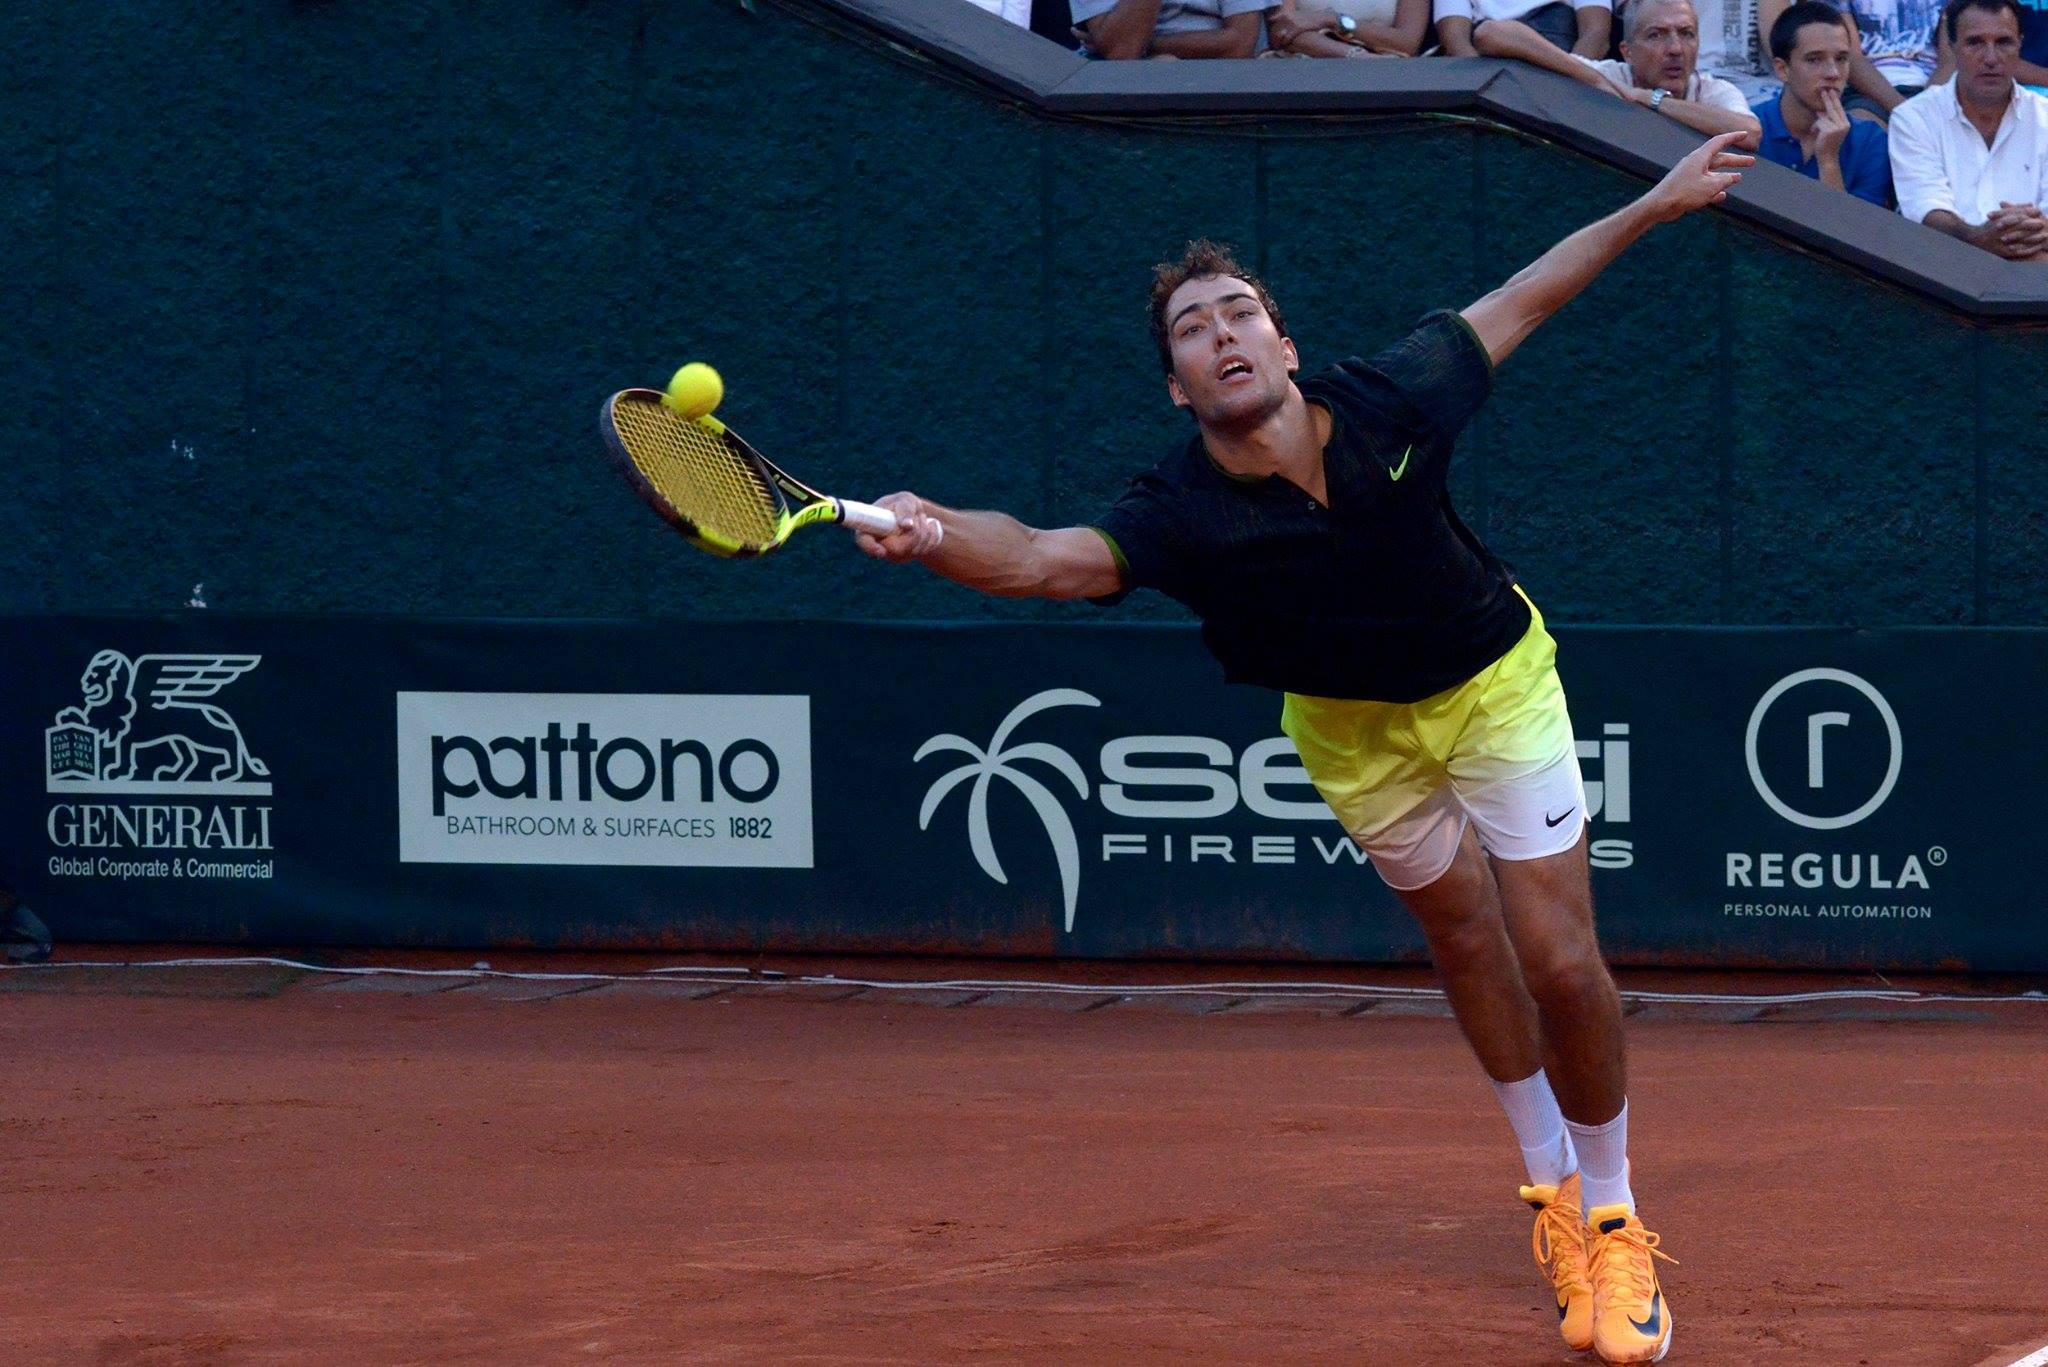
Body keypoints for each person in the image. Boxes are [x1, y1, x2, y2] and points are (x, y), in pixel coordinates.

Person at [856, 132, 1753, 1366]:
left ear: (1281, 342)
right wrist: (930, 529)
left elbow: (1530, 291)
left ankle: (1612, 1208)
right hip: (1342, 730)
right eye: (1190, 327)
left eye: (1238, 312)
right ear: (1176, 381)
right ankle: (1546, 1186)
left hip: (1490, 683)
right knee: (1459, 935)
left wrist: (1652, 205)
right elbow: (1036, 555)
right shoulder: (1175, 508)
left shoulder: (1396, 393)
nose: (1219, 334)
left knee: (1555, 956)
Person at [1476, 0, 1764, 144]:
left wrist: (1649, 100)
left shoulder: (1713, 90)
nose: (1676, 48)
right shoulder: (1614, 75)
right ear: (1627, 52)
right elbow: (1491, 33)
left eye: (1687, 34)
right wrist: (1596, 81)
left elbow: (1749, 133)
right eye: (1657, 35)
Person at [1890, 0, 2048, 254]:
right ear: (1951, 47)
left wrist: (2020, 235)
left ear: (2020, 44)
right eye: (1975, 43)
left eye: (2003, 42)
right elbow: (1926, 211)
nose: (1990, 58)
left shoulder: (2045, 117)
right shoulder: (1913, 118)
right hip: (1945, 274)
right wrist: (1979, 238)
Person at [1754, 2, 1898, 201]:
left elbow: (1853, 230)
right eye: (1814, 60)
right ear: (1782, 69)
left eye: (1841, 59)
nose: (1833, 73)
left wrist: (1828, 161)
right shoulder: (1749, 129)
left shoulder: (1870, 141)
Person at [1071, 0, 1264, 58]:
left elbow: (1239, 45)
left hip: (1217, 79)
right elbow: (1122, 53)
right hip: (1121, 83)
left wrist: (1149, 46)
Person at [1436, 0, 1614, 62]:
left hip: (1558, 55)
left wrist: (1568, 85)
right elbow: (1455, 42)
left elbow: (1596, 35)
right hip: (1485, 60)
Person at [1266, 0, 1434, 54]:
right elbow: (1282, 30)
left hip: (1384, 80)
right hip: (1305, 77)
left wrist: (1333, 20)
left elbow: (1408, 42)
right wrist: (1354, 56)